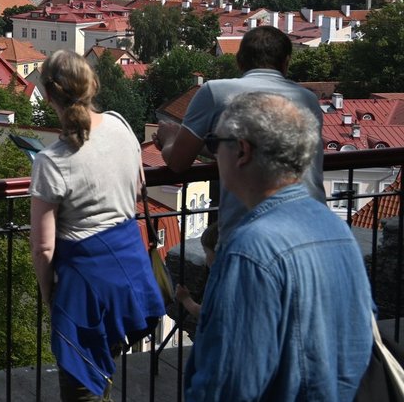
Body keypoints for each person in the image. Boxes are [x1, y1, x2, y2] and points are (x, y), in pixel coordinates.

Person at [184, 92, 373, 401]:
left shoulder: (252, 249)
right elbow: (358, 341)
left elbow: (229, 386)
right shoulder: (336, 229)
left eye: (215, 144)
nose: (213, 155)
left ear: (242, 151)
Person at [28, 50, 165, 401]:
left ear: (47, 94)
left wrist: (49, 296)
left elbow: (43, 248)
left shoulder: (51, 161)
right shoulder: (121, 125)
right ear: (92, 85)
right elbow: (137, 188)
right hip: (128, 275)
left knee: (82, 388)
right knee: (107, 366)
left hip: (86, 290)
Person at [156, 25, 324, 245]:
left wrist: (170, 137)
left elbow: (178, 163)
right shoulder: (308, 100)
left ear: (239, 61)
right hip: (313, 227)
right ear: (286, 63)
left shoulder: (215, 92)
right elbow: (262, 151)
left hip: (252, 234)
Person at [173, 222, 218, 320]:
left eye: (207, 253)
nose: (206, 259)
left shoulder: (222, 284)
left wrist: (186, 299)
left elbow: (205, 314)